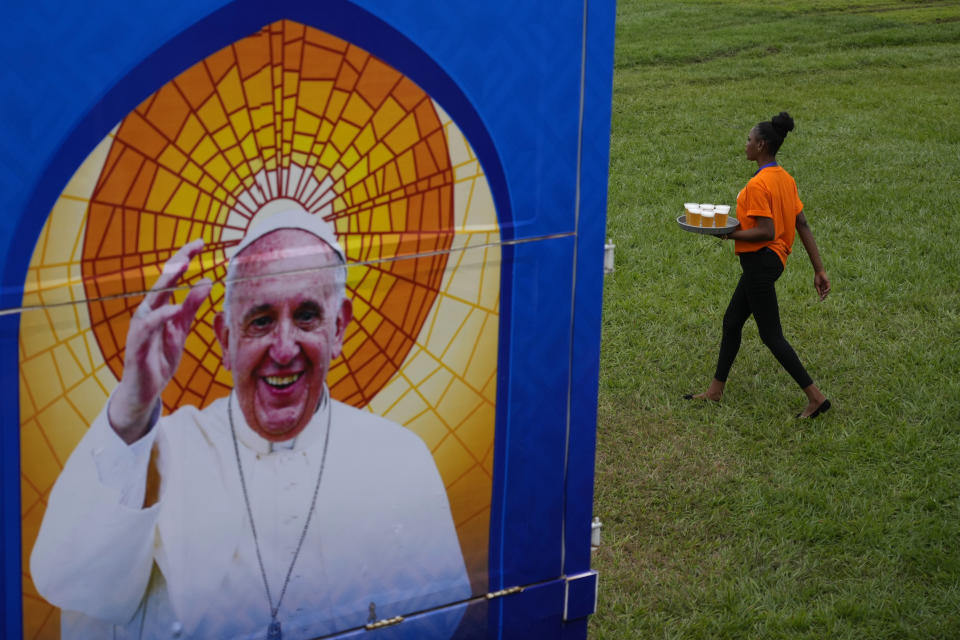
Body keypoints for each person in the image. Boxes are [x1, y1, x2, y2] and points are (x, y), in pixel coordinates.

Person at [31, 207, 471, 639]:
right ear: (225, 339)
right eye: (260, 321)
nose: (284, 349)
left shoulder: (399, 458)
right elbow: (70, 584)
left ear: (338, 328)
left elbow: (435, 618)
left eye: (306, 316)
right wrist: (131, 406)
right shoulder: (162, 452)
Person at [687, 112, 832, 419]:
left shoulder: (758, 185)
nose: (746, 144)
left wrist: (728, 233)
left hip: (760, 262)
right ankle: (715, 390)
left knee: (771, 335)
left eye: (749, 140)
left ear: (762, 145)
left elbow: (766, 231)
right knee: (731, 322)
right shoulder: (785, 179)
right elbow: (802, 224)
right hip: (773, 260)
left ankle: (815, 397)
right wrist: (819, 269)